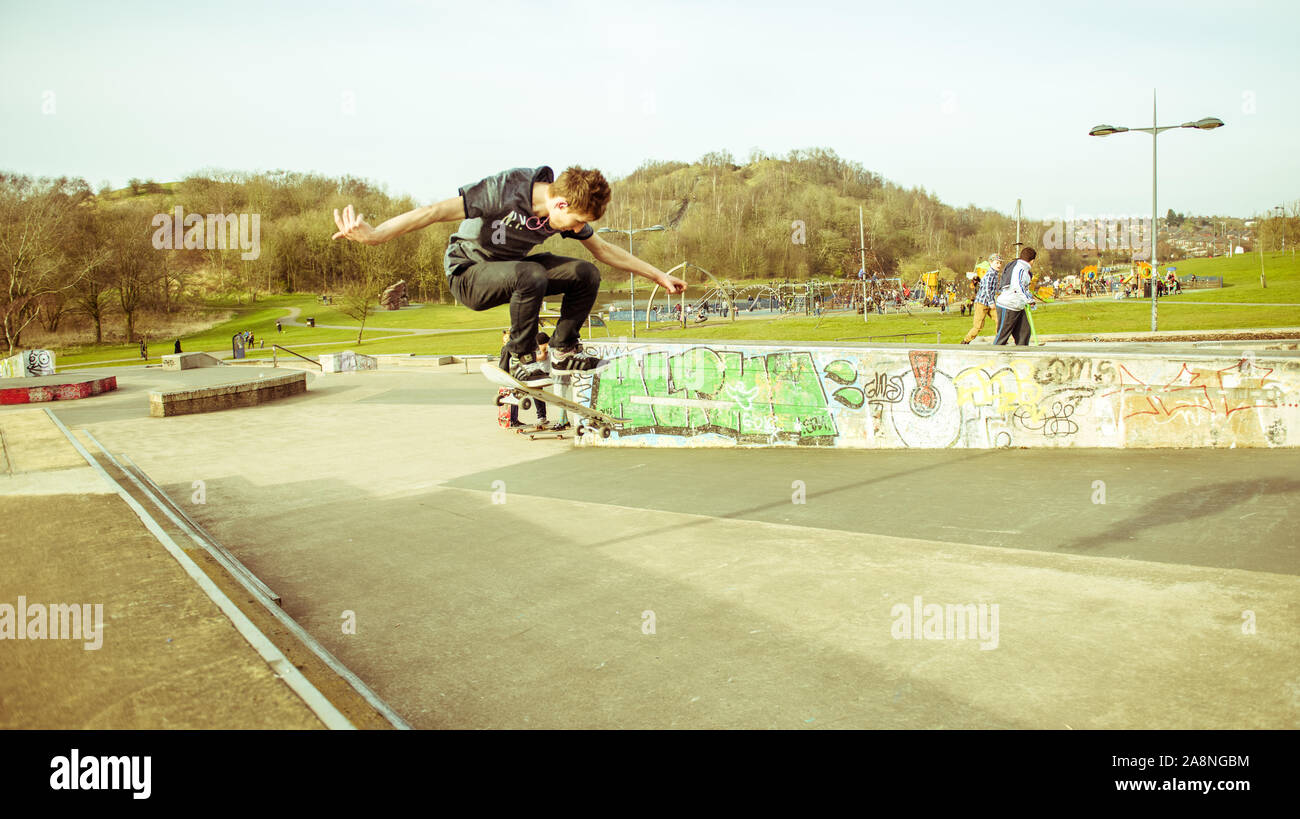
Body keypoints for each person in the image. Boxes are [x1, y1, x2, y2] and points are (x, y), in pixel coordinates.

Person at [333, 165, 687, 388]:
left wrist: (657, 275)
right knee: (530, 273)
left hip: (513, 274)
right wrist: (376, 235)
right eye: (577, 220)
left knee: (585, 272)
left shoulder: (563, 210)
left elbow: (604, 250)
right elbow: (433, 211)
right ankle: (522, 357)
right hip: (467, 274)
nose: (579, 228)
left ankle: (564, 349)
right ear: (559, 203)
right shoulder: (503, 190)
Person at [994, 247, 1037, 346]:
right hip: (1008, 305)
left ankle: (1020, 356)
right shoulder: (1020, 268)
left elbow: (1024, 288)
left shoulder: (1024, 269)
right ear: (1032, 261)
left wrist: (1030, 298)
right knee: (1002, 336)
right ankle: (993, 358)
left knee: (1024, 333)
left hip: (1018, 306)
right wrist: (1028, 300)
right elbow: (1018, 285)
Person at [962, 254, 1003, 344]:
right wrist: (991, 302)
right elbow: (987, 289)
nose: (999, 265)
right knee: (978, 326)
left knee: (999, 319)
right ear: (991, 263)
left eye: (1000, 263)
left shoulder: (995, 274)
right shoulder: (990, 274)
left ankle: (999, 340)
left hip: (989, 303)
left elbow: (994, 289)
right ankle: (966, 341)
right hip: (982, 303)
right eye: (997, 263)